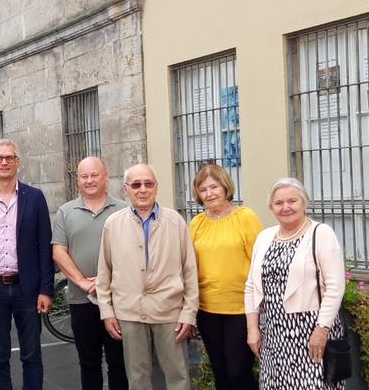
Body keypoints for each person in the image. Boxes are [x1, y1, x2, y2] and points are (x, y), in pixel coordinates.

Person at [96, 164, 199, 390]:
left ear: (156, 187)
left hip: (169, 311)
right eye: (136, 184)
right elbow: (104, 273)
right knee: (137, 378)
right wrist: (107, 311)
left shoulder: (176, 222)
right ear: (126, 189)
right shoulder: (113, 224)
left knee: (178, 376)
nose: (142, 190)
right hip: (129, 311)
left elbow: (190, 270)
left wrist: (189, 312)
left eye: (148, 184)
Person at [245, 178, 346, 389]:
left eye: (292, 201)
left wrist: (322, 330)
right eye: (278, 203)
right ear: (271, 207)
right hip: (273, 333)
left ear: (304, 203)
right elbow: (252, 286)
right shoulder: (264, 237)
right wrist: (252, 329)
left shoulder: (321, 233)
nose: (285, 207)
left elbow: (335, 287)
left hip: (311, 331)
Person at [0, 138, 54, 390]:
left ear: (18, 162)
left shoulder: (35, 197)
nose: (4, 162)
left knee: (31, 355)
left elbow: (44, 245)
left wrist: (46, 289)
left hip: (26, 289)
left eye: (9, 157)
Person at [51, 156, 129, 390]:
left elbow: (132, 252)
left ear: (106, 176)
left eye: (95, 175)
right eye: (84, 176)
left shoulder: (125, 210)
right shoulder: (65, 212)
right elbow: (59, 252)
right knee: (88, 362)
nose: (90, 180)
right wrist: (83, 282)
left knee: (119, 363)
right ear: (78, 180)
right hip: (81, 299)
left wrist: (109, 280)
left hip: (119, 299)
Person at [189, 164, 262, 390]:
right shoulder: (196, 224)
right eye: (203, 190)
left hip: (241, 310)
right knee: (220, 373)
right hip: (207, 310)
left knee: (238, 373)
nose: (209, 194)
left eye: (214, 187)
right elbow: (188, 268)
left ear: (225, 187)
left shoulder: (245, 217)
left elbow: (260, 263)